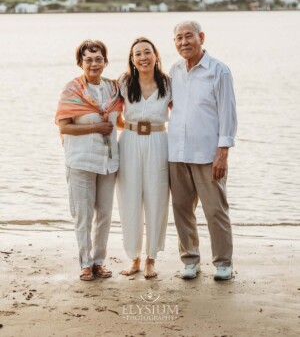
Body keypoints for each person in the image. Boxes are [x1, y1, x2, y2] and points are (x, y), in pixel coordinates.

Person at [168, 21, 237, 281]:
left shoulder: (219, 71)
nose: (184, 42)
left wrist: (223, 152)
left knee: (215, 210)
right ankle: (190, 260)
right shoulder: (173, 71)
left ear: (201, 37)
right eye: (178, 38)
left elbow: (228, 115)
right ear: (174, 42)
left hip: (208, 154)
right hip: (176, 153)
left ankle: (223, 263)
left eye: (189, 36)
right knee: (182, 209)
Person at [55, 40, 123, 281]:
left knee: (104, 215)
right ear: (80, 62)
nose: (94, 64)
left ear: (105, 61)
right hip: (81, 161)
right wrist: (96, 127)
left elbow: (124, 118)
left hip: (108, 162)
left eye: (98, 59)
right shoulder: (71, 90)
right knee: (83, 215)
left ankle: (99, 262)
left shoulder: (114, 89)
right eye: (88, 59)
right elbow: (64, 127)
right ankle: (85, 263)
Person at [117, 37, 171, 279]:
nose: (143, 57)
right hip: (129, 142)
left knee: (157, 199)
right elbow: (112, 115)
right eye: (137, 54)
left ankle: (151, 258)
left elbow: (179, 114)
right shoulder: (124, 82)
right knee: (129, 199)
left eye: (147, 52)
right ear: (132, 59)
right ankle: (134, 258)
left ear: (155, 55)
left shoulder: (168, 83)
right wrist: (129, 129)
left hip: (159, 142)